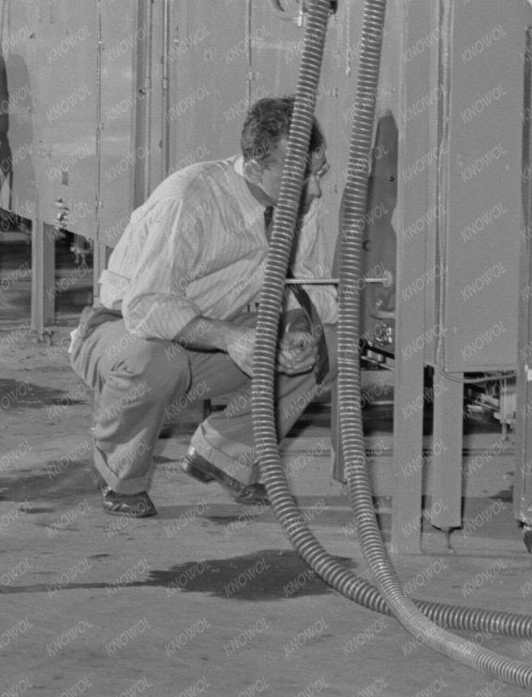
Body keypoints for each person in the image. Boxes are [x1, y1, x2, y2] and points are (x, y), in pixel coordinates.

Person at [67, 95, 334, 516]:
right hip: (126, 331)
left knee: (323, 345)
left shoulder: (302, 202)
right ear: (254, 165)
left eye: (318, 173)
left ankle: (223, 454)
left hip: (216, 336)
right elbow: (148, 307)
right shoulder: (192, 198)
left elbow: (301, 281)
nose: (315, 188)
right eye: (301, 176)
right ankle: (119, 474)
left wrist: (298, 327)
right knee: (158, 362)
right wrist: (231, 338)